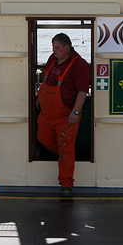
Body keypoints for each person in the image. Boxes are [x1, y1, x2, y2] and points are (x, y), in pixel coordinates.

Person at [36, 33, 90, 197]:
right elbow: (46, 79)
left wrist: (75, 111)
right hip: (46, 114)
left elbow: (82, 91)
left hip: (66, 117)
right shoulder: (53, 58)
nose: (54, 50)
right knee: (43, 138)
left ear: (67, 47)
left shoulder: (79, 64)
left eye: (57, 47)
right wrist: (40, 97)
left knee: (66, 149)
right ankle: (70, 157)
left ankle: (66, 184)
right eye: (53, 47)